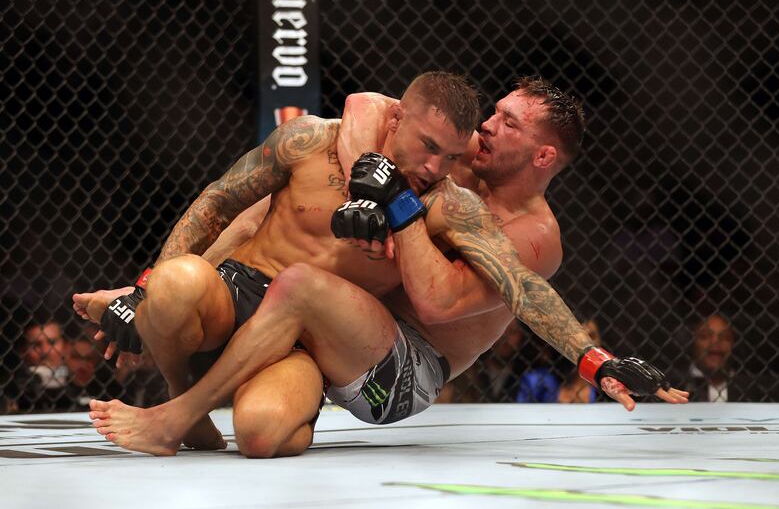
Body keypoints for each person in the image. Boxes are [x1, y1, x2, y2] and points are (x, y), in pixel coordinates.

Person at [80, 75, 686, 456]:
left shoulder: (511, 225)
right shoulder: (429, 144)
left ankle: (176, 412)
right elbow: (368, 103)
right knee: (254, 230)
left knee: (295, 302)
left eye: (507, 123)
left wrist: (592, 357)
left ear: (543, 154)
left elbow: (464, 297)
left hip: (403, 361)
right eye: (492, 114)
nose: (484, 131)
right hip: (313, 317)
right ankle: (165, 323)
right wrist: (149, 288)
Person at [517, 319, 603, 403]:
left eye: (591, 336)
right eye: (580, 337)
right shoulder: (536, 381)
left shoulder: (606, 384)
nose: (587, 343)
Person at [682, 313, 735, 402]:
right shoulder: (673, 385)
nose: (715, 341)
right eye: (704, 336)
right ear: (692, 342)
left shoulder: (753, 387)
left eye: (724, 336)